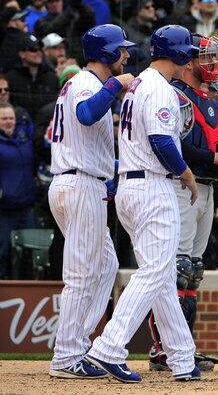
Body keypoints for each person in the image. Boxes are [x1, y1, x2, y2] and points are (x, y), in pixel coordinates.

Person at [85, 25, 200, 383]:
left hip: (131, 189)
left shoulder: (138, 85)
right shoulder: (159, 88)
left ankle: (182, 358)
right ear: (180, 54)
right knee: (154, 273)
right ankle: (109, 347)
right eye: (189, 53)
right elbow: (161, 141)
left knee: (162, 276)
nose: (191, 59)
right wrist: (187, 173)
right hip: (153, 188)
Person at [48, 25, 135, 379]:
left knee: (105, 265)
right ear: (107, 54)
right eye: (122, 50)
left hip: (82, 180)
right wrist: (117, 85)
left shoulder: (85, 83)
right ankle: (66, 355)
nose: (126, 55)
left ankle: (78, 344)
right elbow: (86, 114)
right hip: (79, 183)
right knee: (82, 274)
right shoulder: (87, 83)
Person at [147, 34, 218, 373]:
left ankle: (183, 347)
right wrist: (215, 157)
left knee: (193, 270)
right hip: (182, 184)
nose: (212, 64)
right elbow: (176, 146)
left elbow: (205, 144)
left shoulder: (207, 97)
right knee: (177, 269)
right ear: (188, 59)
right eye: (204, 58)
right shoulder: (176, 94)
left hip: (205, 187)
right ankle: (161, 350)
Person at [0, 103, 37, 280]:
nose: (8, 122)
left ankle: (27, 291)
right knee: (3, 252)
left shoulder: (25, 140)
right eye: (4, 118)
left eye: (11, 118)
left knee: (28, 253)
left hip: (26, 207)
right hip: (4, 210)